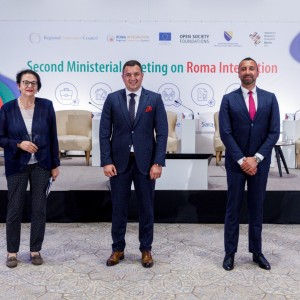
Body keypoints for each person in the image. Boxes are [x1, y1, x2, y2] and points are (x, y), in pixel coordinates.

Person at [100, 60, 168, 268]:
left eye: (136, 74)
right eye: (128, 74)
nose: (132, 78)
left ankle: (146, 249)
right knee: (118, 208)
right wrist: (106, 161)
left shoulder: (154, 99)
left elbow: (162, 133)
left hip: (146, 164)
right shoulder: (112, 99)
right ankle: (117, 248)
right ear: (123, 77)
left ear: (142, 76)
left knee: (146, 208)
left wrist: (158, 162)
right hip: (118, 164)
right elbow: (104, 134)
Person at [219, 57, 280, 271]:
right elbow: (225, 133)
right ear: (237, 73)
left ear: (258, 72)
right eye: (243, 69)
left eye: (251, 68)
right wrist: (242, 159)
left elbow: (273, 132)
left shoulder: (270, 99)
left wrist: (257, 158)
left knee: (256, 209)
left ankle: (257, 252)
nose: (247, 72)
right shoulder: (228, 99)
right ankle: (230, 253)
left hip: (260, 165)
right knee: (233, 209)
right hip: (236, 164)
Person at [0, 69, 60, 268]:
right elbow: (1, 137)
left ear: (37, 86)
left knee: (39, 209)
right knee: (14, 208)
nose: (29, 86)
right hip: (17, 164)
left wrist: (54, 165)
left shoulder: (46, 106)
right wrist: (19, 144)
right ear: (18, 86)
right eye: (25, 82)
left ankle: (35, 250)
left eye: (33, 83)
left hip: (41, 165)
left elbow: (53, 137)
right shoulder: (7, 109)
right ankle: (12, 252)